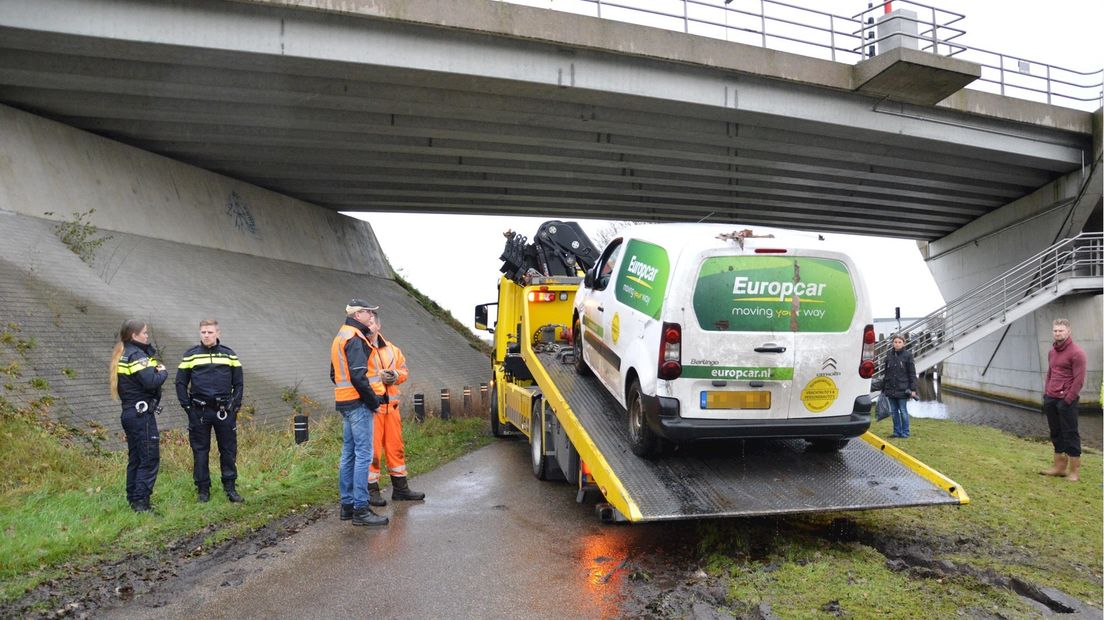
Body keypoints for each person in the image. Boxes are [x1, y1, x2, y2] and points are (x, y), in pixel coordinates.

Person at [330, 299, 388, 526]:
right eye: (367, 312)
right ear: (357, 315)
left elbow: (335, 373)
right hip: (359, 404)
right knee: (363, 455)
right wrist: (373, 401)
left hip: (345, 401)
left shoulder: (341, 335)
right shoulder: (355, 339)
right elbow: (358, 376)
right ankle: (361, 509)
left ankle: (347, 506)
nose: (371, 316)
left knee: (349, 453)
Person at [176, 319, 245, 503]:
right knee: (200, 451)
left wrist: (234, 407)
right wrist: (187, 408)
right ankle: (203, 490)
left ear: (218, 333)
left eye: (210, 332)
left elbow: (238, 383)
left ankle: (230, 487)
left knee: (228, 450)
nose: (206, 335)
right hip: (199, 412)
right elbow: (180, 383)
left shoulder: (229, 355)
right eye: (203, 332)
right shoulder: (191, 355)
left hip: (224, 411)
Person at [363, 309, 425, 507]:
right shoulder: (360, 348)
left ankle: (400, 489)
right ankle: (371, 491)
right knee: (372, 452)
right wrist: (379, 378)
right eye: (366, 323)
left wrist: (395, 376)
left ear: (378, 326)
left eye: (372, 323)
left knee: (396, 449)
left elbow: (404, 370)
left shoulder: (392, 349)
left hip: (392, 408)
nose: (369, 326)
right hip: (372, 408)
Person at [109, 319, 168, 513]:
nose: (147, 336)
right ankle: (141, 504)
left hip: (130, 413)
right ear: (134, 335)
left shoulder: (124, 354)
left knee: (136, 458)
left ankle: (133, 499)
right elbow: (151, 381)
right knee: (149, 458)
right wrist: (162, 372)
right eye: (144, 333)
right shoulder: (136, 356)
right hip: (141, 415)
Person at [1039, 319, 1087, 482]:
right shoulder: (1052, 352)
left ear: (1068, 332)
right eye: (1055, 330)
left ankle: (1074, 472)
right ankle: (1059, 467)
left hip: (1067, 401)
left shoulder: (1077, 353)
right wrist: (1047, 394)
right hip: (1051, 398)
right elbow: (1050, 374)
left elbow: (1079, 380)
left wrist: (1067, 400)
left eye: (1061, 330)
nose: (1058, 333)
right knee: (1056, 433)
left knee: (1070, 434)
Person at [882, 334, 918, 439]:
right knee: (894, 412)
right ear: (892, 343)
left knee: (903, 411)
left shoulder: (908, 356)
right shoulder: (889, 355)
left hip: (903, 388)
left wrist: (913, 389)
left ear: (903, 343)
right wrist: (884, 388)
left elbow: (912, 373)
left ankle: (905, 433)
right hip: (890, 388)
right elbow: (886, 373)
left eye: (899, 342)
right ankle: (896, 432)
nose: (897, 344)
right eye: (895, 342)